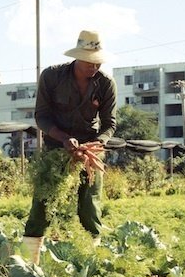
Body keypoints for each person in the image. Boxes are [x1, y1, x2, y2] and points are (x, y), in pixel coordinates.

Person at [22, 30, 117, 263]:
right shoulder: (52, 77)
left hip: (90, 151)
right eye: (89, 62)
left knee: (90, 207)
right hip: (56, 147)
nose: (94, 67)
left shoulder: (105, 84)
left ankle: (91, 260)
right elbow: (42, 117)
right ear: (77, 57)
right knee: (42, 204)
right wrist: (64, 139)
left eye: (97, 62)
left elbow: (110, 124)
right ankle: (28, 261)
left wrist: (97, 144)